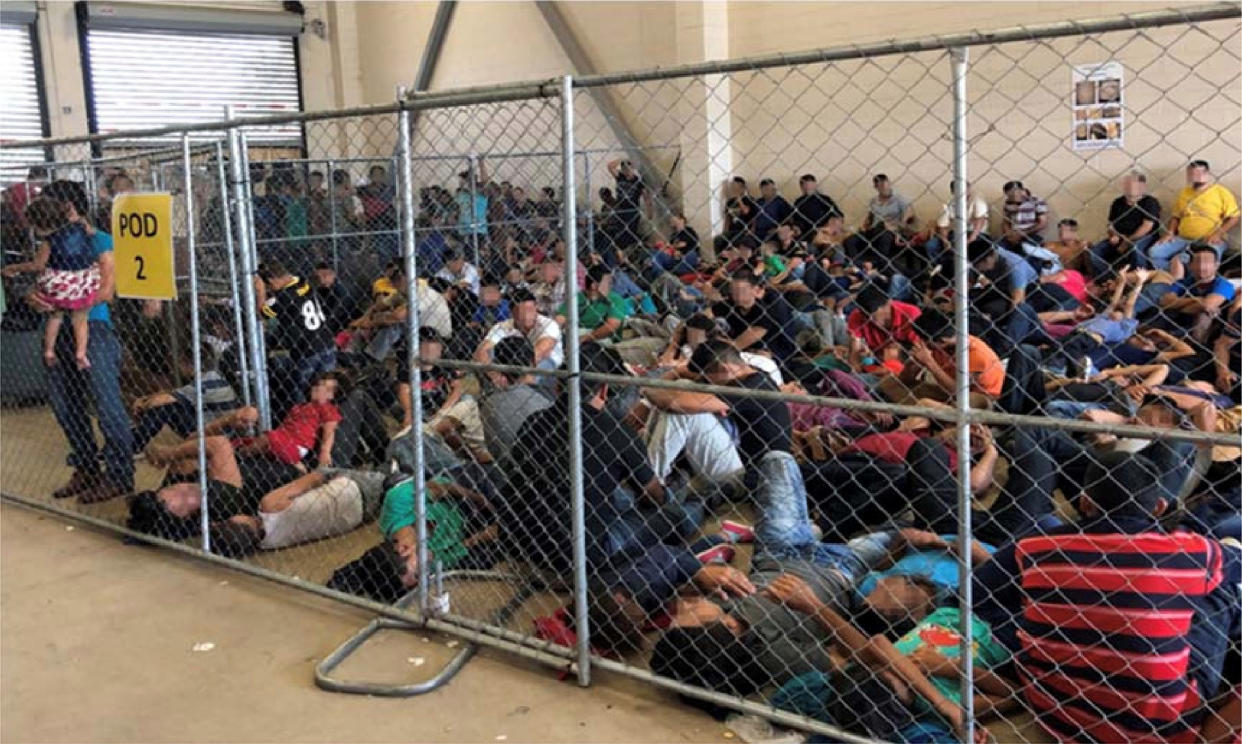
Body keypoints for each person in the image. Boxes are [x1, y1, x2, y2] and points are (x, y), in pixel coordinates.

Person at [974, 450, 1241, 743]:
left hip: (1056, 714)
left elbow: (981, 590)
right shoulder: (1190, 550)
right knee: (1222, 588)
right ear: (1159, 508)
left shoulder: (1035, 548)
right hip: (1158, 731)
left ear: (1085, 502)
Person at [29, 181, 133, 504]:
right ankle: (87, 467)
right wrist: (35, 297)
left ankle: (119, 474)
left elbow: (105, 291)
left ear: (69, 207)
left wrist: (60, 301)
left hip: (94, 328)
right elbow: (41, 283)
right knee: (64, 404)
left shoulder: (99, 241)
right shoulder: (52, 243)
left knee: (106, 403)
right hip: (57, 329)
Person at [146, 371, 345, 470]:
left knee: (267, 439)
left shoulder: (327, 409)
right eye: (319, 385)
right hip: (282, 438)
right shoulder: (299, 406)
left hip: (296, 444)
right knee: (239, 442)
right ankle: (236, 452)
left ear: (332, 397)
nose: (319, 389)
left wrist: (325, 452)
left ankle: (243, 455)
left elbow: (330, 431)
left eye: (327, 389)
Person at [3, 197, 100, 369]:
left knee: (55, 316)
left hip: (58, 284)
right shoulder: (80, 227)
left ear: (38, 225)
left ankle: (49, 350)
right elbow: (89, 230)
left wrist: (14, 267)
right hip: (81, 281)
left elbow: (37, 265)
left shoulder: (48, 242)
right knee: (80, 317)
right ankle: (81, 353)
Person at [881, 307, 1004, 409]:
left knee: (925, 403)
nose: (921, 342)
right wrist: (912, 364)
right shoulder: (937, 347)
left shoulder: (976, 354)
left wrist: (929, 362)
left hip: (978, 400)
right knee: (889, 383)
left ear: (942, 341)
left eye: (924, 339)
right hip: (947, 393)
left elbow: (959, 392)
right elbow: (905, 381)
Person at [130, 343, 239, 453]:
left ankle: (134, 445)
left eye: (181, 363)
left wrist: (142, 404)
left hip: (215, 433)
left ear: (188, 363)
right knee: (170, 403)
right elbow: (172, 393)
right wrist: (145, 398)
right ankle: (135, 439)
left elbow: (161, 401)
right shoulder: (213, 377)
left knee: (164, 408)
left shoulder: (202, 384)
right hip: (220, 429)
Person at [257, 260, 336, 391]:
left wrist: (260, 291)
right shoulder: (302, 281)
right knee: (327, 390)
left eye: (270, 286)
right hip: (326, 341)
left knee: (304, 391)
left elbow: (261, 313)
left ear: (272, 281)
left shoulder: (284, 296)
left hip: (306, 350)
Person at [1149, 159, 1239, 269]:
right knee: (1155, 252)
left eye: (1198, 173)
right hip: (1183, 238)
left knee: (1192, 259)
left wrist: (1218, 234)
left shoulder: (1220, 192)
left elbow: (1234, 217)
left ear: (1207, 174)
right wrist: (1170, 233)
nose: (1194, 176)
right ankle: (1172, 278)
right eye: (1191, 174)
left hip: (1209, 239)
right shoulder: (1184, 193)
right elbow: (1176, 216)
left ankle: (1183, 276)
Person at [1089, 170, 1161, 278]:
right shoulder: (1117, 202)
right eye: (1126, 183)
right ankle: (1111, 280)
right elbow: (1110, 225)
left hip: (1143, 237)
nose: (1127, 186)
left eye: (1131, 183)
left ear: (1142, 186)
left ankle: (1139, 280)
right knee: (1094, 253)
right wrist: (1113, 234)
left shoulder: (1150, 202)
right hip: (1120, 236)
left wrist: (1127, 241)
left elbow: (1147, 227)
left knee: (1136, 249)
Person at [714, 271, 797, 363]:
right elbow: (707, 314)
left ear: (756, 290)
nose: (736, 294)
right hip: (743, 349)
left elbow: (737, 345)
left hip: (774, 352)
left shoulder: (768, 308)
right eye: (733, 290)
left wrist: (719, 342)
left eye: (741, 290)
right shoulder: (731, 303)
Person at [475, 287, 564, 372]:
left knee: (543, 363)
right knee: (489, 355)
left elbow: (539, 353)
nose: (527, 315)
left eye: (530, 309)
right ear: (512, 313)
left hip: (544, 367)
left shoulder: (549, 324)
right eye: (522, 311)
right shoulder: (503, 326)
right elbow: (481, 351)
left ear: (536, 308)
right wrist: (495, 375)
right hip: (511, 367)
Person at [1158, 243, 1236, 338]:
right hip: (1180, 320)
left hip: (1213, 327)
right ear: (1190, 265)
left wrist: (1178, 305)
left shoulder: (1223, 284)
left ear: (1216, 265)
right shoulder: (1184, 282)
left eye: (1207, 262)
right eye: (1197, 261)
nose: (1202, 266)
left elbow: (1208, 305)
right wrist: (1196, 299)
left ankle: (1197, 348)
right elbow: (1165, 301)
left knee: (1204, 314)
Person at [846, 281, 922, 370]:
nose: (870, 320)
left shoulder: (911, 314)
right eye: (866, 315)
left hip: (902, 365)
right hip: (872, 361)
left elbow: (919, 352)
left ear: (888, 304)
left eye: (873, 315)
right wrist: (857, 368)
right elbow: (854, 353)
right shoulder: (858, 315)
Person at [557, 264, 631, 342]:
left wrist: (583, 339)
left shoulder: (615, 299)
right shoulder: (577, 298)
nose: (611, 285)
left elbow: (611, 326)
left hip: (601, 339)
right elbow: (560, 319)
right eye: (608, 283)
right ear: (594, 285)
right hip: (575, 336)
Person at [607, 158, 651, 249]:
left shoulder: (638, 181)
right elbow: (610, 166)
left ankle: (637, 247)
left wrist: (649, 211)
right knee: (620, 233)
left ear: (632, 169)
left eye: (629, 169)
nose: (627, 171)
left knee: (629, 233)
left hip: (632, 211)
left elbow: (646, 197)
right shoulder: (620, 177)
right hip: (620, 210)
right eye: (624, 169)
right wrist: (622, 159)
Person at [789, 174, 843, 240]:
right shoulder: (798, 202)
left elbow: (838, 215)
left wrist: (831, 225)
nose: (808, 188)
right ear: (801, 187)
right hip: (808, 232)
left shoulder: (824, 199)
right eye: (806, 186)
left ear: (815, 185)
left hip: (826, 229)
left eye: (811, 185)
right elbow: (795, 221)